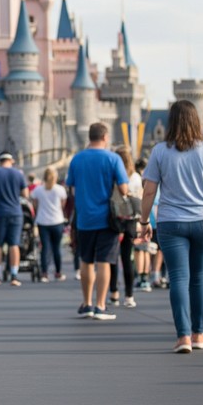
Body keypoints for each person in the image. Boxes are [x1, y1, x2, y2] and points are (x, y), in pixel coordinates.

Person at [139, 100, 203, 353]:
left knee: (179, 277)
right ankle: (199, 333)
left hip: (171, 221)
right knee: (199, 277)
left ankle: (183, 337)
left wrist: (144, 221)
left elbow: (149, 192)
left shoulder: (160, 151)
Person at [65, 122, 129, 321]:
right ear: (105, 137)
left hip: (84, 218)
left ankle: (87, 304)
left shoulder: (77, 159)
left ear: (89, 137)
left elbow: (72, 188)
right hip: (107, 218)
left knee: (86, 261)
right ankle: (100, 305)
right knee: (104, 262)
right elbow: (124, 189)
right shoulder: (113, 158)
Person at [0, 152, 28, 286]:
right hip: (15, 212)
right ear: (11, 160)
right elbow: (25, 194)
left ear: (0, 161)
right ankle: (14, 275)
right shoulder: (18, 174)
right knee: (14, 244)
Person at [110, 146, 141, 307]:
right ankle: (129, 295)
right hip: (131, 220)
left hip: (115, 218)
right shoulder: (135, 176)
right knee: (127, 258)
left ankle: (114, 292)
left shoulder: (113, 175)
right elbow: (139, 198)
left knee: (112, 258)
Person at [31, 166, 68, 284]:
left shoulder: (38, 190)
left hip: (43, 221)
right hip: (57, 220)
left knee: (45, 247)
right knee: (56, 247)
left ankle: (44, 273)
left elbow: (35, 204)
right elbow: (63, 204)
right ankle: (58, 272)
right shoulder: (60, 189)